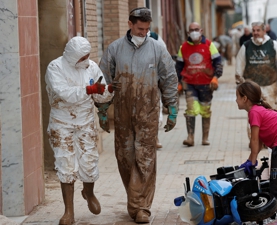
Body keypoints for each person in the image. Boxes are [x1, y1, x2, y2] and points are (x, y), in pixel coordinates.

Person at [99, 7, 178, 223]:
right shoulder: (114, 49)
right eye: (140, 28)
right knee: (125, 158)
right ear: (130, 24)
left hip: (148, 113)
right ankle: (134, 200)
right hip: (123, 115)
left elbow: (169, 79)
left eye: (147, 29)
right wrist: (103, 110)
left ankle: (142, 207)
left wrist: (172, 109)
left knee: (145, 159)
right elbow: (103, 81)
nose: (144, 33)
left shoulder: (157, 49)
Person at [45, 36, 114, 224]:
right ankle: (69, 211)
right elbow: (65, 93)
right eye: (82, 57)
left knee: (89, 160)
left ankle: (89, 192)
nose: (86, 59)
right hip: (62, 122)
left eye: (87, 55)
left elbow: (100, 95)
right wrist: (90, 89)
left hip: (85, 121)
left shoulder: (91, 66)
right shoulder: (55, 68)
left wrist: (106, 90)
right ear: (72, 56)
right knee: (66, 163)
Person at [236, 80, 277, 225]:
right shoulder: (260, 110)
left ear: (245, 98)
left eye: (237, 97)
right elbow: (259, 141)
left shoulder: (254, 112)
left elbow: (253, 139)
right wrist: (251, 158)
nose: (236, 100)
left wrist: (252, 161)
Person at [235, 21, 277, 142]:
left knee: (270, 112)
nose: (255, 33)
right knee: (253, 114)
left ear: (264, 31)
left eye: (258, 30)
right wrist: (240, 84)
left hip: (270, 85)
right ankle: (254, 140)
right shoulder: (246, 46)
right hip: (251, 88)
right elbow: (239, 65)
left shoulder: (272, 44)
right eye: (253, 30)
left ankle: (270, 137)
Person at [176, 22, 223, 146]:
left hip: (206, 84)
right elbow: (179, 66)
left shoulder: (209, 45)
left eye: (196, 29)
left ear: (201, 31)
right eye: (191, 30)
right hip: (189, 83)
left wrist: (216, 77)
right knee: (191, 108)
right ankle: (190, 137)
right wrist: (178, 83)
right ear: (188, 32)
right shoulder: (183, 47)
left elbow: (218, 62)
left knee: (205, 110)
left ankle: (205, 138)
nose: (194, 32)